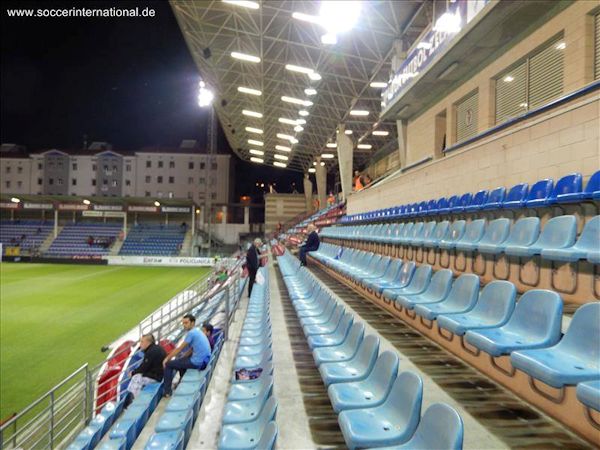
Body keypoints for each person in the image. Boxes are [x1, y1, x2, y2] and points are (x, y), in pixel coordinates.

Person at [162, 314, 212, 397]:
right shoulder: (197, 331)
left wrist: (167, 358)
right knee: (181, 361)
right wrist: (184, 355)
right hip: (203, 360)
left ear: (192, 323)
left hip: (197, 362)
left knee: (168, 364)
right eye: (183, 323)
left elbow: (179, 349)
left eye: (186, 323)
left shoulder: (191, 333)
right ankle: (180, 382)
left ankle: (167, 392)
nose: (184, 325)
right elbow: (192, 348)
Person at [125, 334, 166, 404]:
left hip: (156, 378)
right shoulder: (156, 348)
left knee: (136, 378)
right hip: (159, 375)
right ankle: (133, 400)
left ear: (148, 342)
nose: (140, 344)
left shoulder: (151, 352)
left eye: (142, 342)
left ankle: (136, 402)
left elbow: (143, 367)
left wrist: (133, 373)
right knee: (137, 376)